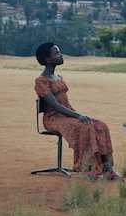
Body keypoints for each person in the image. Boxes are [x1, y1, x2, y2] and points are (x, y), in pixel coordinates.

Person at [34, 42, 118, 179]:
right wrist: (77, 115)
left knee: (101, 125)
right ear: (47, 59)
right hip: (54, 119)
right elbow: (55, 106)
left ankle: (107, 168)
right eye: (56, 53)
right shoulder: (41, 81)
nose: (60, 55)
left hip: (68, 115)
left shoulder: (58, 77)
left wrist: (75, 115)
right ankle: (88, 168)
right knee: (85, 128)